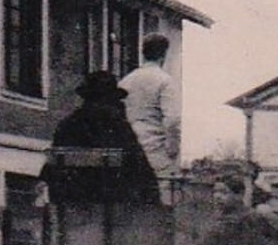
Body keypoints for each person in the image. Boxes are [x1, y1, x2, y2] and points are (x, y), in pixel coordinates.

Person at [41, 70, 161, 205]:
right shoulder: (118, 127)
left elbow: (51, 169)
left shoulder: (68, 125)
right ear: (112, 100)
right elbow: (140, 167)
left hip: (71, 207)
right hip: (116, 209)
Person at [119, 33, 180, 177]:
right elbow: (173, 119)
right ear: (164, 55)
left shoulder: (125, 81)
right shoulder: (165, 81)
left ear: (143, 53)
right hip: (155, 155)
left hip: (128, 152)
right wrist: (172, 149)